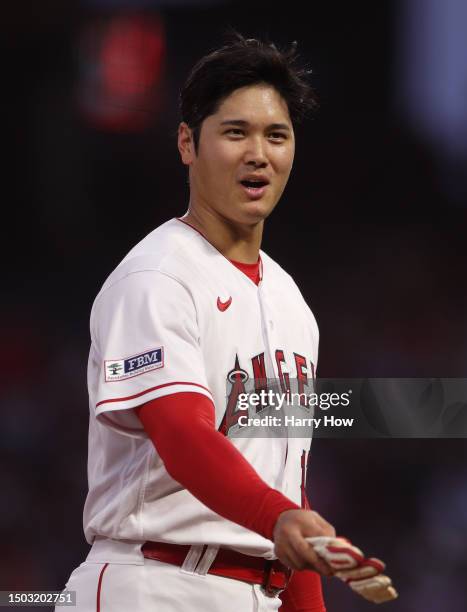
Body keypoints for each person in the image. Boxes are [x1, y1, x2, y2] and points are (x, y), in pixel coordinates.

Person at [60, 33, 341, 612]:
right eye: (235, 132)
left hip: (256, 592)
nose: (258, 153)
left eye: (276, 135)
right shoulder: (157, 277)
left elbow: (289, 490)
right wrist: (280, 516)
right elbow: (184, 436)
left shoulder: (292, 304)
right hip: (154, 582)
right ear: (187, 143)